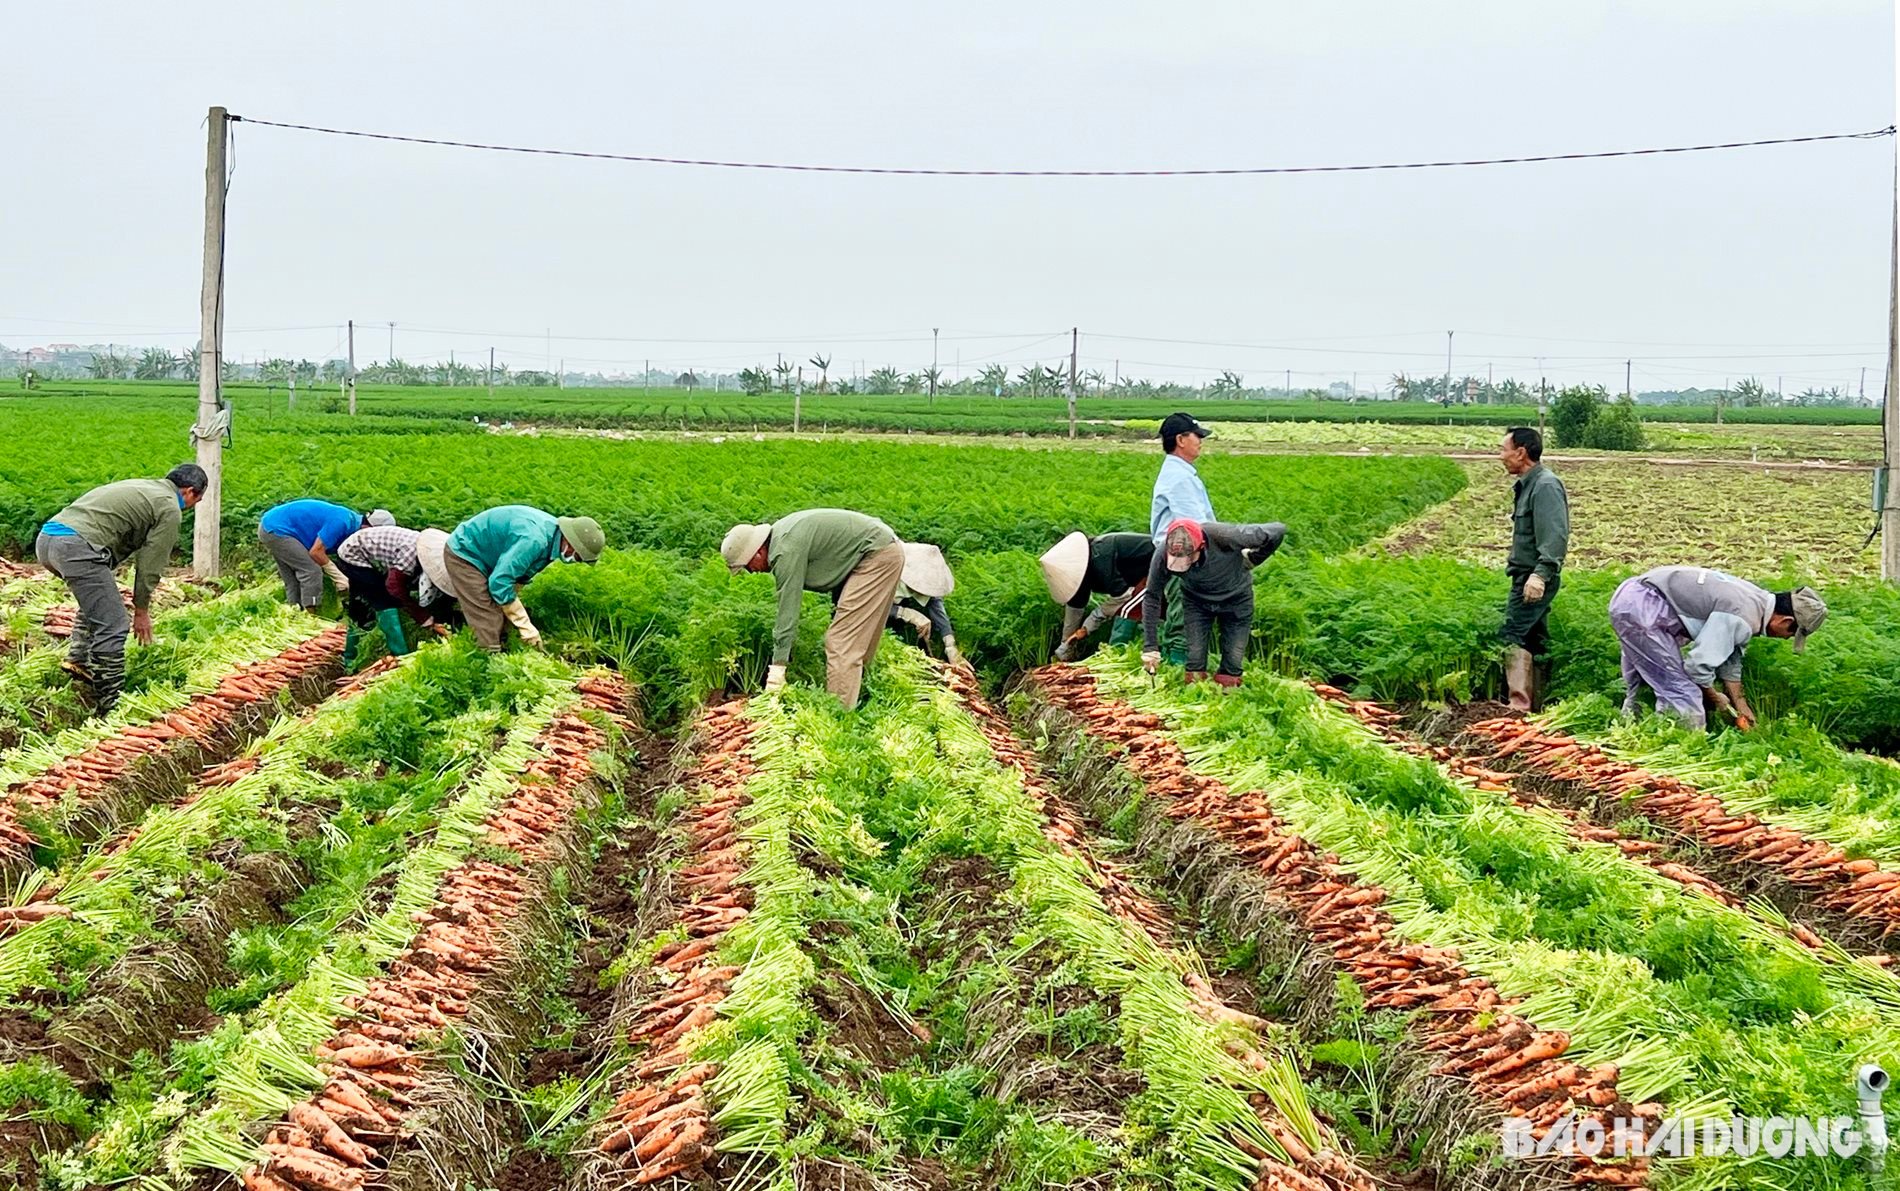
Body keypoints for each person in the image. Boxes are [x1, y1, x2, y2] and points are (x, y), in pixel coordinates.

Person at [35, 463, 207, 713]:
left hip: (47, 541)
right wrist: (141, 610)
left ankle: (79, 659)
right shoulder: (169, 507)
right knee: (114, 624)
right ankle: (110, 703)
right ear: (190, 491)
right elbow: (150, 563)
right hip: (75, 546)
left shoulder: (146, 487)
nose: (194, 505)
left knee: (98, 601)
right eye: (198, 500)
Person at [721, 509, 905, 709]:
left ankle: (839, 718)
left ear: (757, 552)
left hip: (877, 555)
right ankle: (862, 698)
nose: (752, 572)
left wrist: (778, 668)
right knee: (855, 641)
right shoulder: (782, 536)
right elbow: (839, 561)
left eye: (748, 566)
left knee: (841, 641)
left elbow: (788, 610)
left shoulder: (784, 550)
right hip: (878, 550)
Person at [1609, 566, 1826, 731]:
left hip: (1633, 596)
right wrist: (1716, 698)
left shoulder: (1757, 599)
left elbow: (1730, 656)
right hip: (1643, 610)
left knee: (1646, 682)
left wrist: (1740, 704)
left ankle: (1630, 731)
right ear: (1784, 621)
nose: (1787, 639)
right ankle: (1676, 749)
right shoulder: (1742, 616)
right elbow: (1697, 666)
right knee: (1683, 694)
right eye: (1791, 633)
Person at [1140, 518, 1285, 687]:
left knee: (1233, 658)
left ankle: (1228, 697)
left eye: (1188, 559)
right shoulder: (1163, 553)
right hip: (1196, 603)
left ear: (1201, 547)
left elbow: (1278, 530)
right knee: (1195, 655)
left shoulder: (1227, 536)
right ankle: (1196, 695)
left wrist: (1254, 558)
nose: (1183, 565)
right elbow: (1152, 597)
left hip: (1236, 600)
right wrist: (1150, 646)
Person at [444, 506, 604, 651]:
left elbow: (519, 574)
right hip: (466, 553)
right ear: (570, 543)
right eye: (578, 557)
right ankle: (487, 663)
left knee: (502, 614)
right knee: (488, 617)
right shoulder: (534, 540)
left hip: (491, 556)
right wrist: (524, 623)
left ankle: (505, 652)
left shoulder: (553, 540)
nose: (575, 561)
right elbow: (499, 582)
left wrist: (511, 606)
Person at [1498, 426, 1569, 711]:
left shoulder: (1545, 485)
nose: (1500, 456)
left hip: (1533, 578)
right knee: (1537, 642)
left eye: (1503, 450)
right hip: (1525, 576)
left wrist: (1540, 575)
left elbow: (1555, 535)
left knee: (1511, 636)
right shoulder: (1529, 484)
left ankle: (1519, 708)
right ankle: (1542, 704)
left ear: (1521, 452)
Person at [334, 522, 457, 670]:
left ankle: (350, 658)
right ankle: (400, 656)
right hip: (353, 555)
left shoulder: (422, 552)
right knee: (385, 602)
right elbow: (394, 587)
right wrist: (423, 618)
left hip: (366, 553)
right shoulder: (410, 556)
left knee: (360, 609)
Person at [1150, 413, 1216, 666]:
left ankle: (1176, 668)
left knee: (1183, 615)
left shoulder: (1180, 473)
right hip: (1182, 555)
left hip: (1180, 553)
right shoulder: (1178, 478)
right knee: (1184, 617)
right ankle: (1177, 672)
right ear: (1180, 439)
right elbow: (1194, 525)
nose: (1200, 441)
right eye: (1196, 436)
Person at [1039, 530, 1155, 662]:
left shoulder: (1101, 560)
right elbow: (1075, 608)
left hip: (1159, 565)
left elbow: (1122, 596)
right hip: (1136, 579)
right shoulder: (1083, 571)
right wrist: (1066, 644)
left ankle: (1118, 656)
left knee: (1126, 613)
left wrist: (1088, 625)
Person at [258, 500, 395, 610]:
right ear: (369, 526)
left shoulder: (352, 525)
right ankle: (311, 618)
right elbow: (316, 552)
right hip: (276, 529)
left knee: (293, 579)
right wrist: (339, 577)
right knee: (311, 570)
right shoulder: (342, 522)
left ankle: (294, 614)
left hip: (274, 526)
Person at [885, 542, 963, 667]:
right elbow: (867, 604)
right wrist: (908, 614)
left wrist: (950, 645)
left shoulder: (928, 571)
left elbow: (935, 603)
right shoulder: (885, 566)